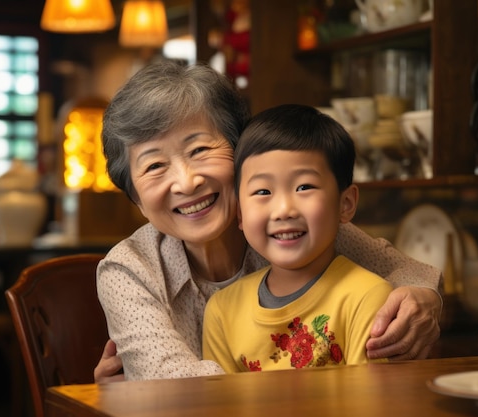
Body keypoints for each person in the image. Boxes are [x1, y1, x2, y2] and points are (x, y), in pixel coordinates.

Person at [95, 59, 442, 382]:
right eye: (154, 166)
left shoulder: (287, 229)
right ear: (136, 199)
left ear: (241, 154)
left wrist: (423, 298)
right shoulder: (128, 270)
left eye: (199, 150)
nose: (187, 182)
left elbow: (406, 272)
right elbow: (179, 390)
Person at [202, 104, 394, 372]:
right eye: (262, 191)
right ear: (240, 214)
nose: (283, 210)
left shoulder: (368, 297)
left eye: (304, 187)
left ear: (346, 204)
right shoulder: (222, 310)